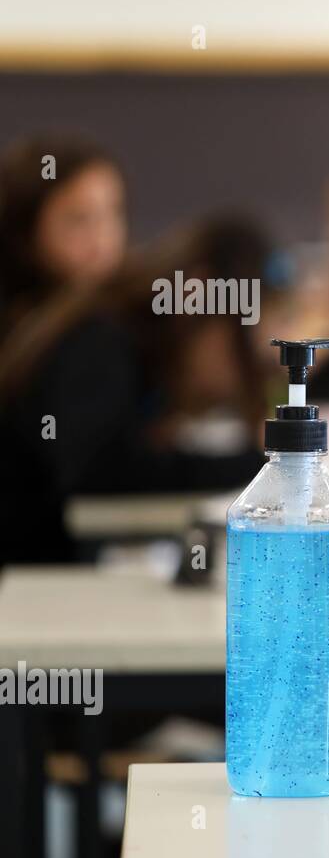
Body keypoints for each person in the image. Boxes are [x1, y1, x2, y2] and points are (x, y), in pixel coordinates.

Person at [0, 214, 286, 566]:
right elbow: (102, 472)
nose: (233, 382)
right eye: (238, 356)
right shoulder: (103, 344)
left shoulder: (119, 340)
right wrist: (258, 462)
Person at [0, 134, 127, 339]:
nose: (102, 238)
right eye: (78, 219)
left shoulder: (128, 320)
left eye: (113, 212)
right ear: (25, 229)